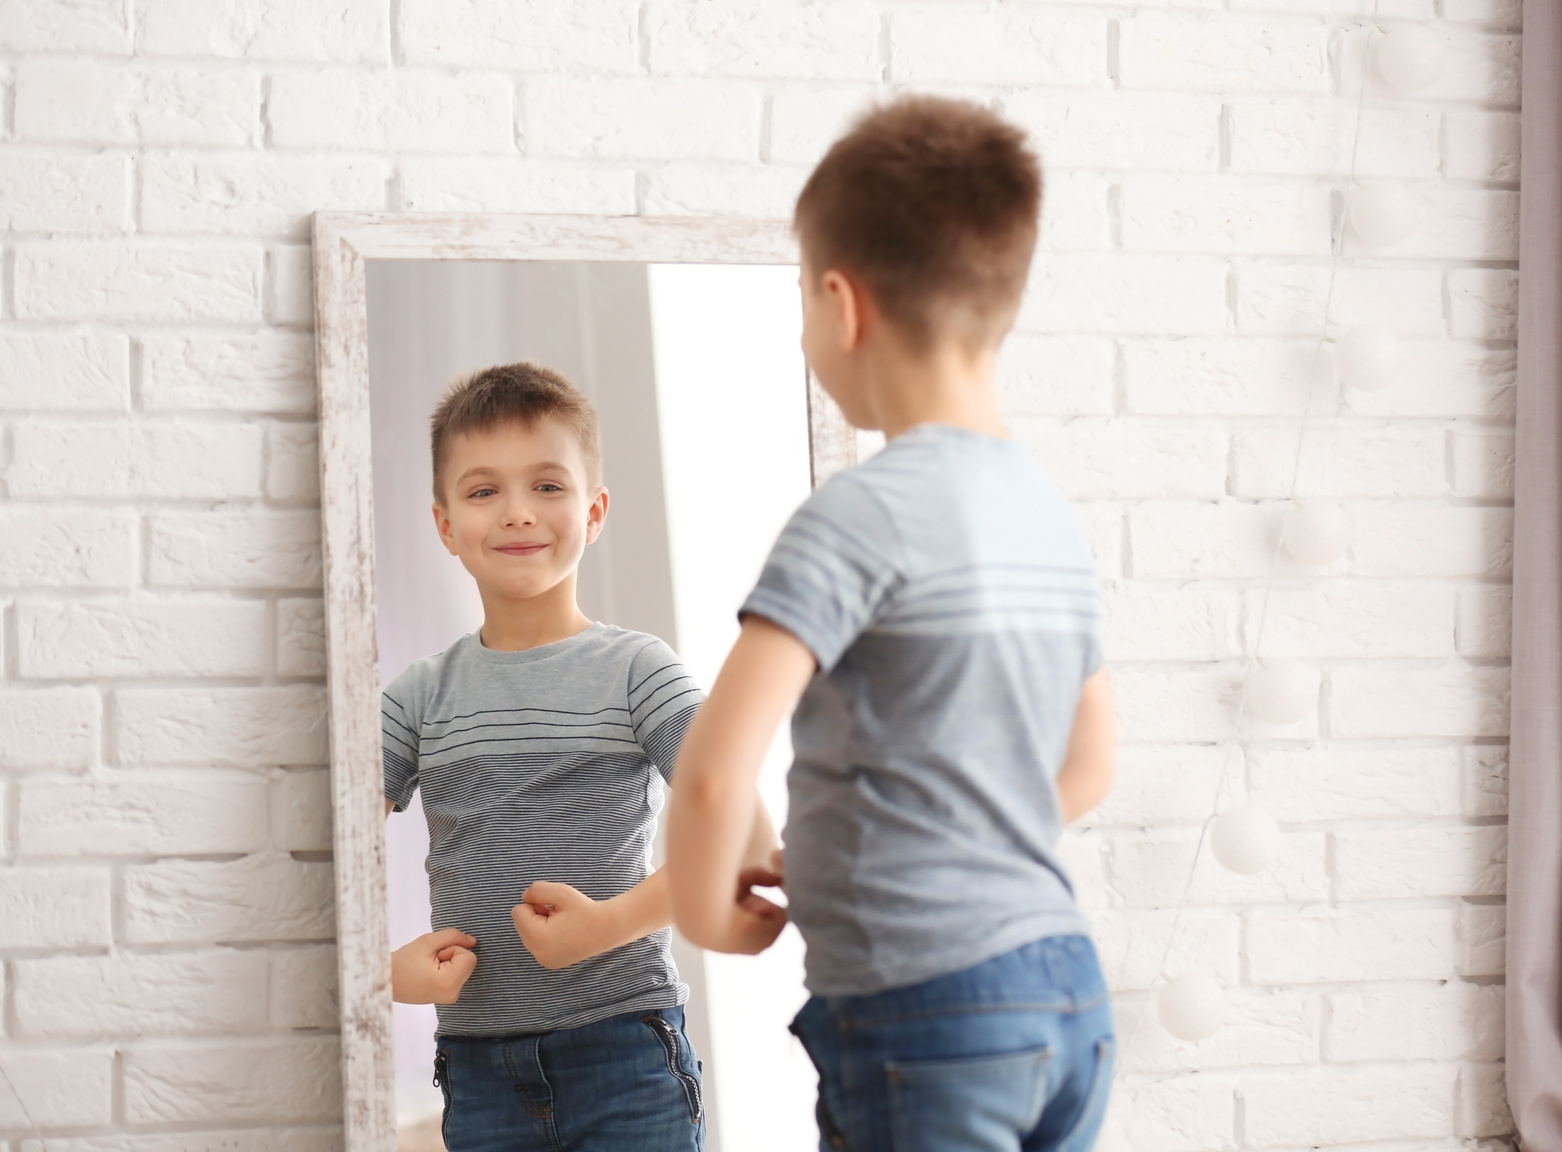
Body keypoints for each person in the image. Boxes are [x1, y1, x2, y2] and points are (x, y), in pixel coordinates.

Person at [666, 96, 1119, 1152]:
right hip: (1066, 997)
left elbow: (713, 772)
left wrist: (701, 917)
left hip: (929, 1010)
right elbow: (1089, 764)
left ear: (841, 303)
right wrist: (931, 848)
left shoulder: (857, 517)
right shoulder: (1047, 515)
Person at [383, 363, 773, 1152]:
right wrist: (378, 971)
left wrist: (605, 928)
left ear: (594, 512)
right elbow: (312, 859)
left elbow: (745, 841)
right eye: (484, 490)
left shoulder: (639, 671)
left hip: (625, 1048)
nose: (519, 512)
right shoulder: (418, 696)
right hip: (478, 1067)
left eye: (549, 487)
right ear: (444, 524)